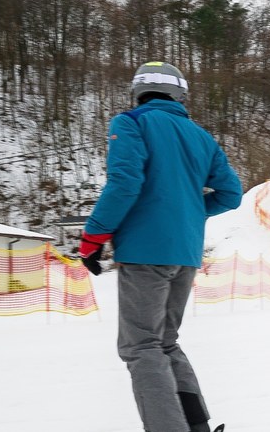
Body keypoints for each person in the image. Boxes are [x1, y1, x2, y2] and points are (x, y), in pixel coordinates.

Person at [81, 61, 242, 432]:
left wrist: (93, 238)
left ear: (138, 92)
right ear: (180, 95)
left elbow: (124, 184)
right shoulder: (201, 136)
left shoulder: (132, 123)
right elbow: (231, 195)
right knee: (166, 342)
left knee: (141, 347)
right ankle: (196, 425)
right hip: (184, 254)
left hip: (144, 251)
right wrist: (187, 212)